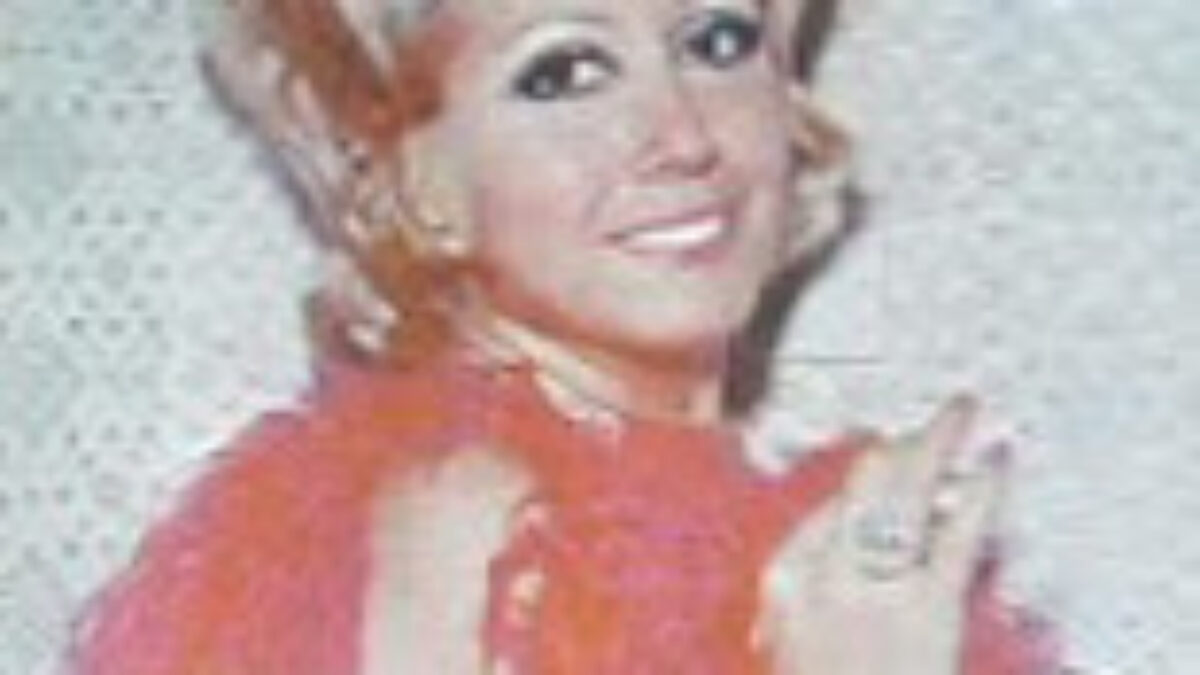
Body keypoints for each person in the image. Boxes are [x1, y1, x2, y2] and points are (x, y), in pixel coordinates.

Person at [68, 0, 1059, 672]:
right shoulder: (470, 518)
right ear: (417, 183)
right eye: (567, 72)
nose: (682, 136)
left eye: (716, 41)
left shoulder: (799, 557)